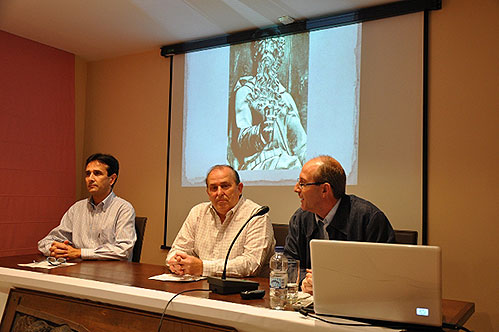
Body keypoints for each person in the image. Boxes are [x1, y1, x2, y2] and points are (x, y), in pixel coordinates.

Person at [284, 155, 395, 294]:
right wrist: (304, 282)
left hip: (356, 305)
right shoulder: (300, 219)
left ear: (325, 190)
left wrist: (329, 282)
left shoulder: (369, 219)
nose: (296, 189)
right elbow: (289, 264)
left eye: (303, 183)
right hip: (309, 305)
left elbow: (385, 276)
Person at [166, 165, 275, 277]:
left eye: (225, 186)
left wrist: (203, 267)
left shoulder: (256, 215)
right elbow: (178, 249)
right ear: (208, 192)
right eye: (214, 188)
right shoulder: (198, 212)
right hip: (198, 286)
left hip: (242, 290)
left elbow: (251, 264)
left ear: (239, 188)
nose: (219, 193)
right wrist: (176, 262)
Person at [38, 153, 136, 261]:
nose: (90, 178)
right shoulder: (77, 208)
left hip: (110, 273)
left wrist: (80, 253)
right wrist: (55, 249)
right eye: (88, 174)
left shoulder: (123, 208)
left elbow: (124, 250)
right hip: (77, 271)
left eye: (97, 173)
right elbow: (46, 241)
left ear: (112, 179)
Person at [229, 36, 307, 170]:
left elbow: (301, 144)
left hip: (287, 163)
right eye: (264, 53)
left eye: (272, 53)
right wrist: (261, 132)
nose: (267, 59)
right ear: (255, 56)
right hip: (258, 164)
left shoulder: (285, 98)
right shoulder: (245, 92)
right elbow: (241, 140)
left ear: (278, 59)